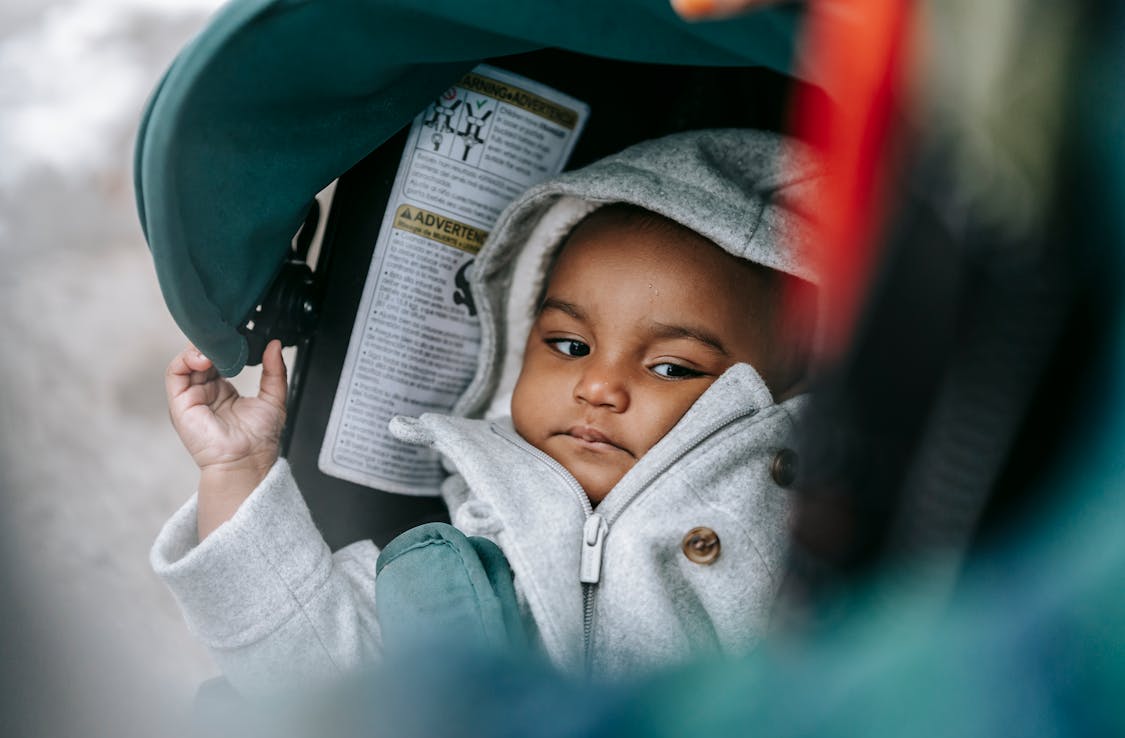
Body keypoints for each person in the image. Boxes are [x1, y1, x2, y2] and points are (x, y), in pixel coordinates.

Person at [153, 129, 824, 694]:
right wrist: (237, 469)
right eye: (568, 345)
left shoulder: (809, 531)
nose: (597, 386)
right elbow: (305, 670)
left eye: (670, 367)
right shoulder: (462, 566)